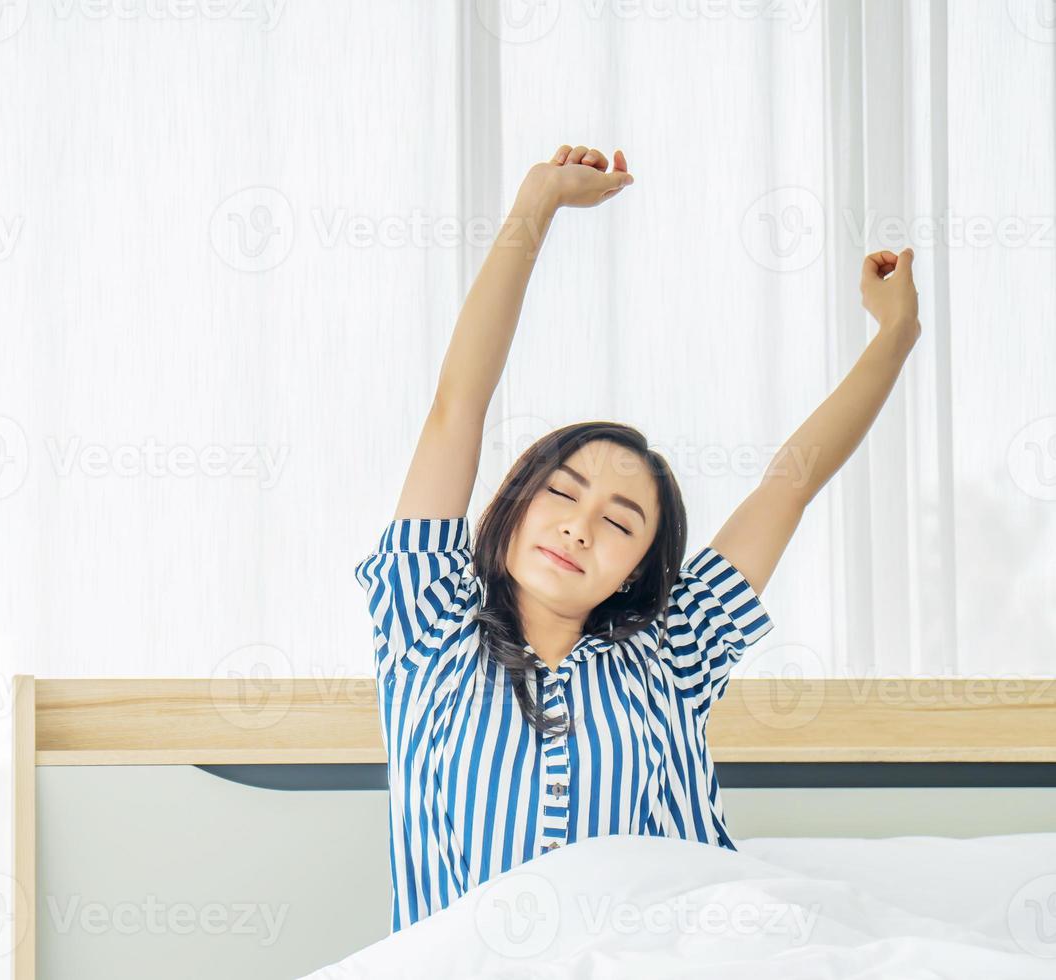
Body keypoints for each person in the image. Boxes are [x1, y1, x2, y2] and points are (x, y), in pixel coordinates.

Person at [354, 142, 922, 934]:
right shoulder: (427, 624)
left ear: (636, 571)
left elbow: (789, 485)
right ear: (515, 502)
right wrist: (537, 204)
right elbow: (458, 405)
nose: (579, 527)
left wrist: (894, 336)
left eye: (619, 522)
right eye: (561, 492)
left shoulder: (676, 649)